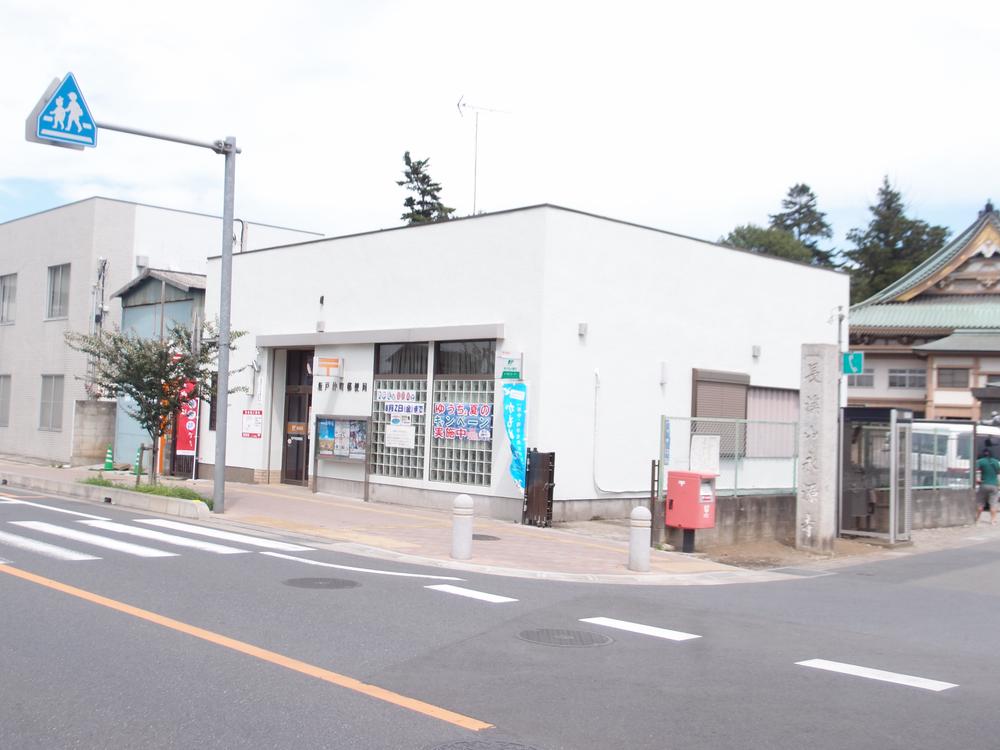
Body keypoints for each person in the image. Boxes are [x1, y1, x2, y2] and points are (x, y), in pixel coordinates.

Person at [974, 448, 1000, 525]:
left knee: (980, 503)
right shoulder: (996, 462)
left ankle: (977, 519)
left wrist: (977, 480)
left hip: (984, 484)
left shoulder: (980, 461)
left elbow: (974, 470)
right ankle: (992, 520)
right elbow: (998, 472)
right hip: (994, 485)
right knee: (993, 503)